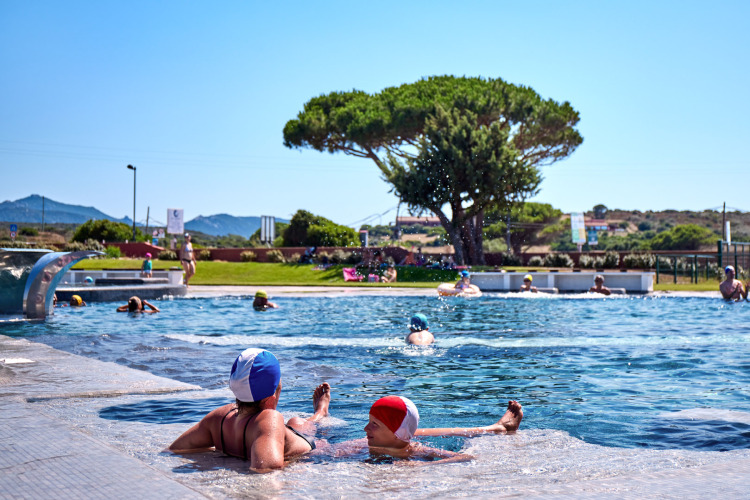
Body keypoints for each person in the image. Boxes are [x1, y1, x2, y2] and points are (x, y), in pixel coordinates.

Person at [168, 348, 330, 473]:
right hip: (314, 448)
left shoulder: (220, 416)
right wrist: (294, 462)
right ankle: (319, 413)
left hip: (282, 433)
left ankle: (319, 413)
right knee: (344, 444)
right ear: (272, 397)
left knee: (296, 423)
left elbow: (177, 448)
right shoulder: (270, 419)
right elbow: (267, 468)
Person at [329, 396, 524, 465]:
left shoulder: (415, 451)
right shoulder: (364, 443)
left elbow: (465, 457)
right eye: (369, 421)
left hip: (403, 439)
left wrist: (422, 466)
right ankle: (495, 428)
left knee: (414, 433)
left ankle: (497, 428)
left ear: (396, 433)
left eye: (374, 424)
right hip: (402, 434)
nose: (365, 428)